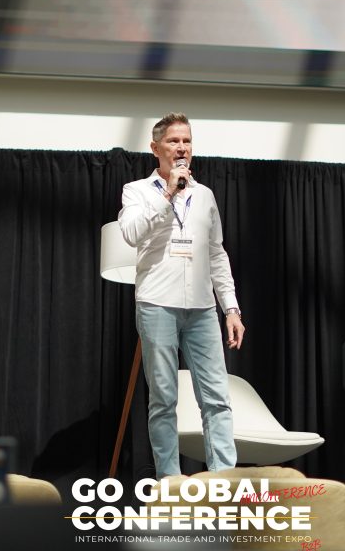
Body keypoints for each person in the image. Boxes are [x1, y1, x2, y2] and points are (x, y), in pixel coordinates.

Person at [118, 112, 245, 477]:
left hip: (203, 309)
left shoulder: (205, 195)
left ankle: (224, 481)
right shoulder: (137, 191)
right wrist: (168, 192)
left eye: (187, 141)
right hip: (157, 304)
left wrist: (231, 309)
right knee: (163, 399)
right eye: (173, 141)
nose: (182, 147)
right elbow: (130, 233)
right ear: (155, 147)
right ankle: (170, 483)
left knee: (217, 398)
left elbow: (216, 253)